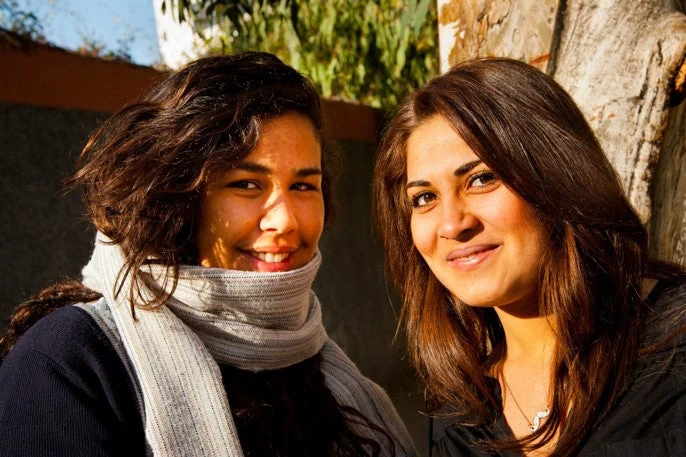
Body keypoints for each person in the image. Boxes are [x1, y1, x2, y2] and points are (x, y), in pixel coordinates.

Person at [0, 52, 416, 457]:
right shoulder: (68, 363)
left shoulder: (313, 361)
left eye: (304, 186)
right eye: (247, 185)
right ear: (177, 196)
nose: (285, 221)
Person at [373, 57, 685, 456]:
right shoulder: (462, 416)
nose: (452, 224)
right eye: (424, 198)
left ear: (556, 174)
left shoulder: (673, 349)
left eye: (481, 179)